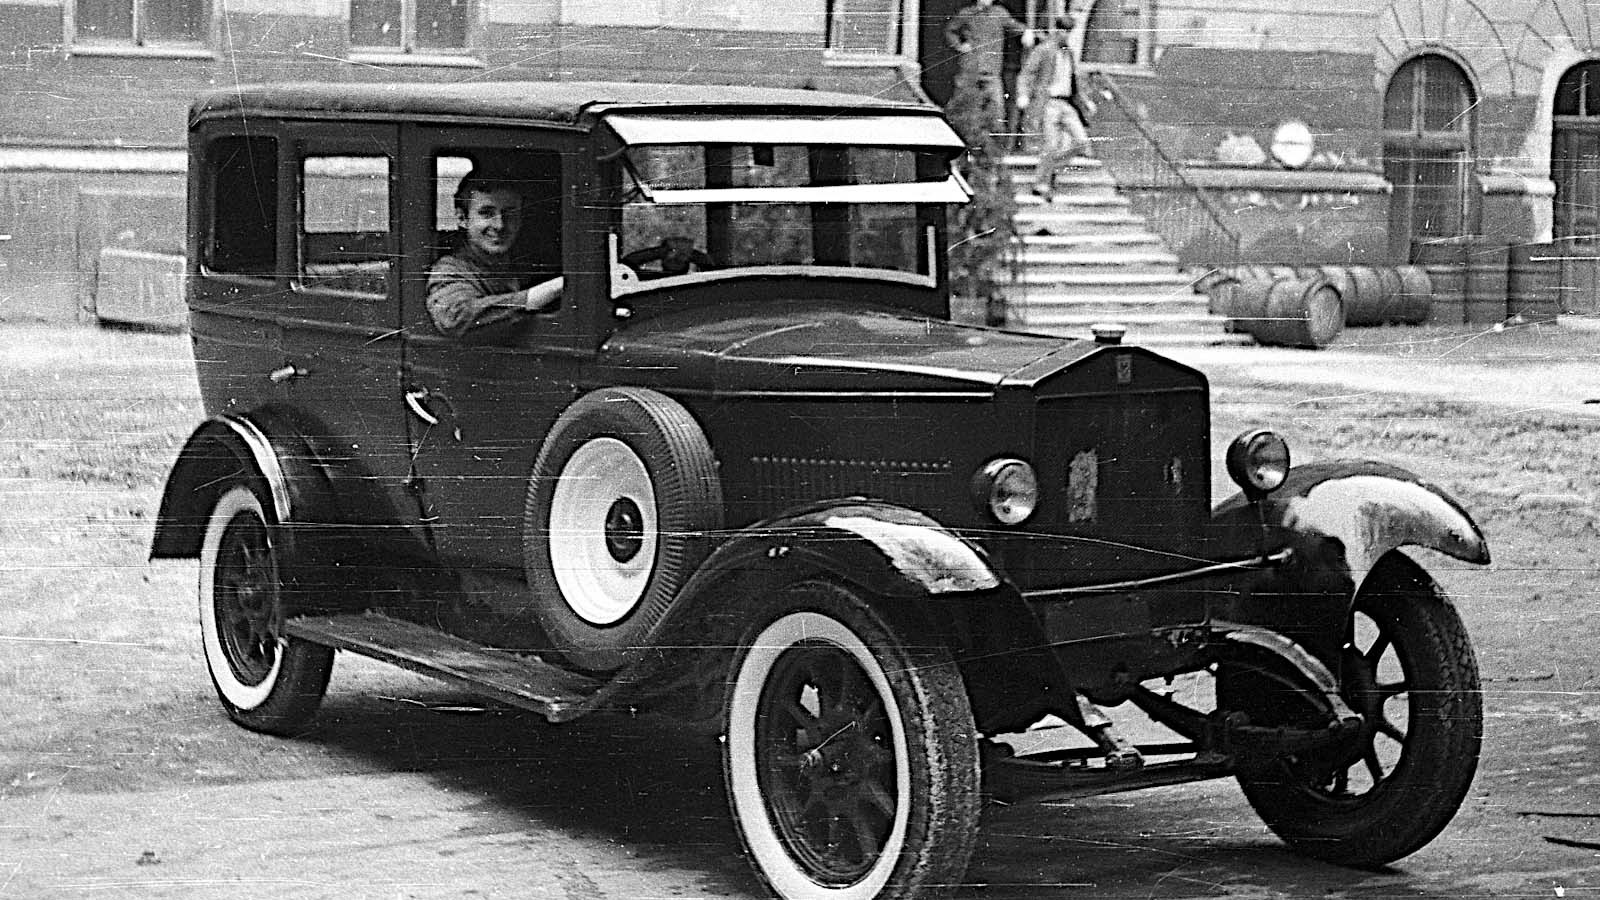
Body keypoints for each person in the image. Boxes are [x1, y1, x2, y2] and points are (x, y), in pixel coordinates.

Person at [426, 171, 562, 339]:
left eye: (510, 213)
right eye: (487, 213)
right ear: (462, 219)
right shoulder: (450, 270)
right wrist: (540, 294)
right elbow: (455, 317)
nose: (499, 225)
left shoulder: (530, 262)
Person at [1016, 16, 1094, 199]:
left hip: (1066, 104)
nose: (1065, 35)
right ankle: (1041, 183)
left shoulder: (1069, 53)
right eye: (1063, 31)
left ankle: (1049, 168)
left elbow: (1075, 82)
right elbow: (1026, 74)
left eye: (1069, 32)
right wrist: (1023, 95)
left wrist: (1086, 101)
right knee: (1051, 145)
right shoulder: (1044, 50)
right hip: (1049, 103)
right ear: (1056, 30)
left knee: (1082, 143)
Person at [944, 0, 1034, 140]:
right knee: (965, 109)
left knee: (997, 112)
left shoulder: (999, 13)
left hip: (992, 72)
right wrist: (960, 45)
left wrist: (1027, 31)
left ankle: (994, 146)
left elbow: (1015, 26)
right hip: (970, 71)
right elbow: (951, 30)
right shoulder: (967, 13)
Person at [620, 235, 717, 278]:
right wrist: (685, 252)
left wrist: (664, 251)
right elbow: (626, 266)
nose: (676, 257)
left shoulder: (696, 283)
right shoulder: (650, 279)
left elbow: (711, 269)